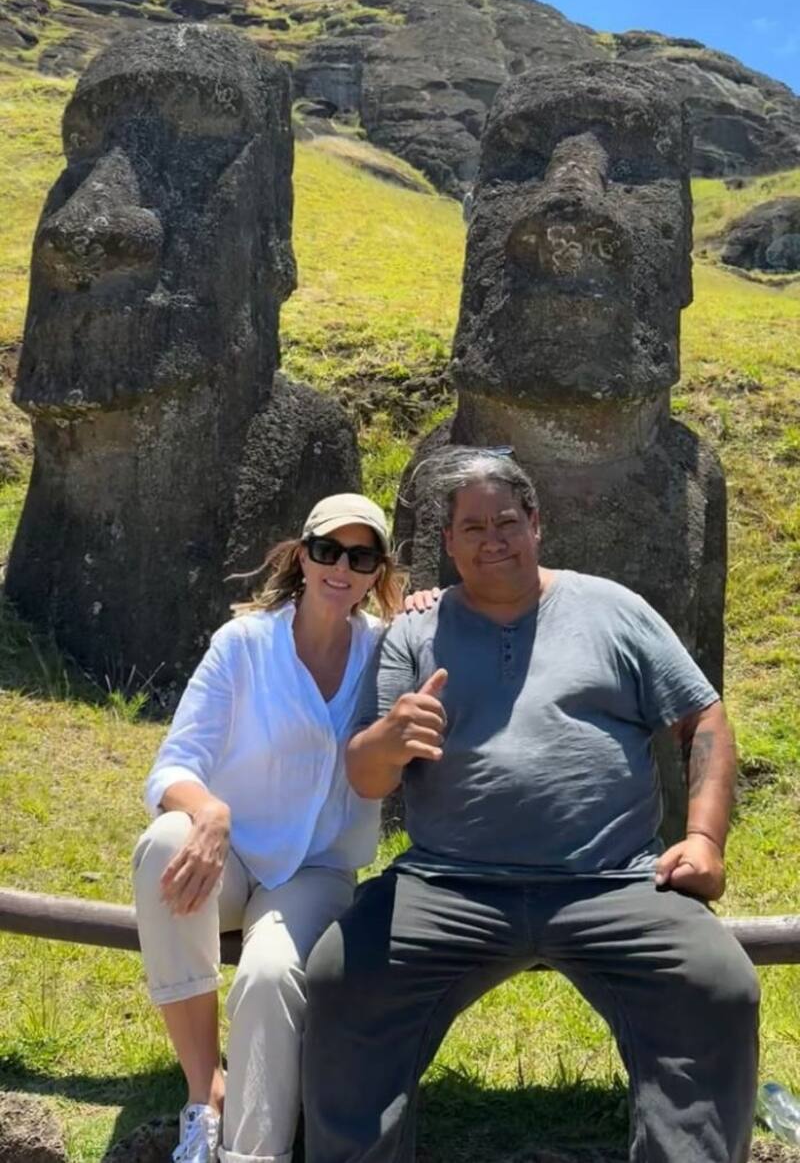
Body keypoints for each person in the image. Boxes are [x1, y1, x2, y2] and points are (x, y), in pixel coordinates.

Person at [303, 450, 760, 1163]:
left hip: (611, 882)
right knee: (343, 978)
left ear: (537, 524)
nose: (493, 540)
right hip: (448, 884)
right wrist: (388, 741)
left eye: (507, 522)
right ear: (447, 544)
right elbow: (365, 778)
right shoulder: (415, 633)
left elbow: (703, 718)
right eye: (473, 527)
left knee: (716, 984)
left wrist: (703, 839)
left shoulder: (612, 610)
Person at [134, 493, 435, 1163]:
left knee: (270, 976)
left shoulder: (385, 651)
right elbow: (173, 767)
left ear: (378, 570)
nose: (341, 567)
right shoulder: (244, 644)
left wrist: (427, 606)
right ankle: (202, 1091)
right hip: (230, 860)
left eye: (361, 557)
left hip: (319, 869)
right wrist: (209, 813)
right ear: (303, 556)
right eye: (328, 550)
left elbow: (454, 646)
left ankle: (251, 1156)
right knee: (163, 845)